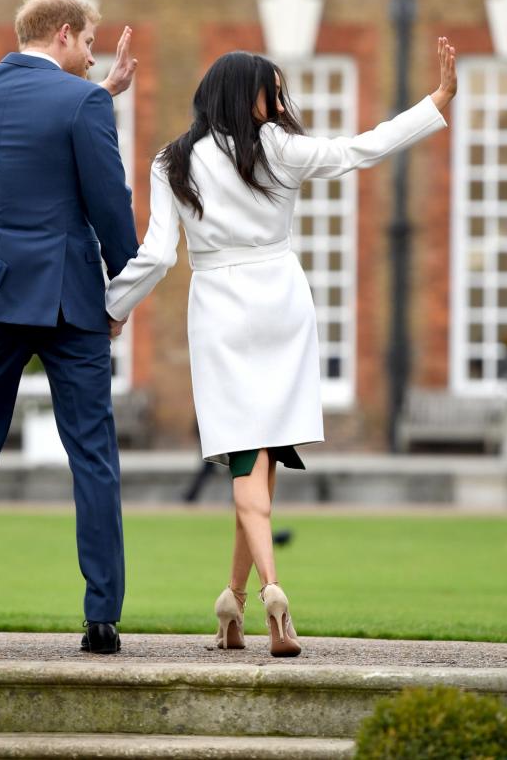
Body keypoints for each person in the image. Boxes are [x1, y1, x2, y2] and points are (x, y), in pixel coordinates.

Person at [106, 37, 457, 657]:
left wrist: (113, 308)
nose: (278, 102)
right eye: (272, 91)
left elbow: (159, 254)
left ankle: (272, 588)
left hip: (217, 305)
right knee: (262, 451)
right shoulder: (281, 148)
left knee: (246, 451)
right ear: (250, 95)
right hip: (282, 300)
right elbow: (360, 149)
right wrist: (434, 101)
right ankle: (233, 604)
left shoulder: (173, 161)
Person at [0, 0, 139, 655]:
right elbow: (108, 204)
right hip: (71, 303)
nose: (95, 56)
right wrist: (121, 292)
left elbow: (36, 128)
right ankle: (101, 617)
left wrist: (98, 90)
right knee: (92, 456)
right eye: (90, 43)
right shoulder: (84, 102)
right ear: (64, 34)